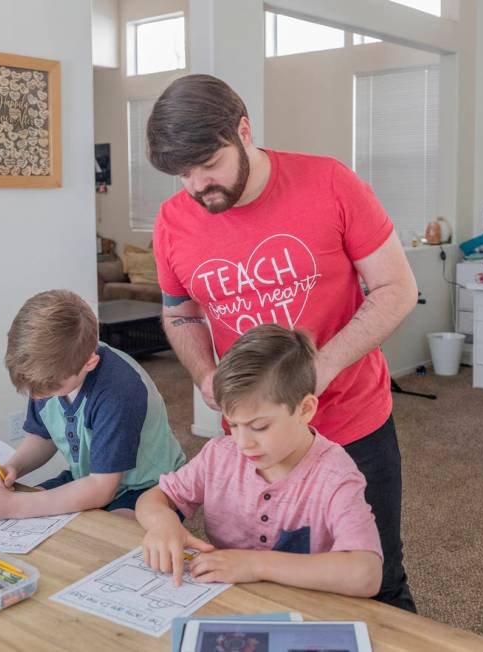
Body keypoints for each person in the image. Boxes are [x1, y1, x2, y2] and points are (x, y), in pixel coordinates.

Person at [147, 74, 417, 611]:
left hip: (351, 422)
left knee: (377, 581)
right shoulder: (173, 220)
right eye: (182, 174)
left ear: (243, 131)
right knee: (257, 582)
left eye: (209, 165)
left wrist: (322, 367)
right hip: (253, 432)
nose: (198, 186)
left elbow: (398, 288)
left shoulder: (330, 183)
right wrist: (205, 375)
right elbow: (179, 311)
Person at [135, 324, 383, 598]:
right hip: (230, 599)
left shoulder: (334, 474)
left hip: (308, 607)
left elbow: (366, 574)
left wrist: (255, 565)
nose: (243, 442)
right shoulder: (220, 455)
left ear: (305, 409)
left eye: (260, 426)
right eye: (233, 425)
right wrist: (163, 523)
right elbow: (153, 499)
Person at [0, 289, 186, 520]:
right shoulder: (47, 376)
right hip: (88, 477)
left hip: (149, 489)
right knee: (36, 511)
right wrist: (15, 466)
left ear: (90, 362)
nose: (38, 397)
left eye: (49, 389)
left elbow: (102, 488)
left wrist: (11, 506)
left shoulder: (120, 390)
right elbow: (43, 437)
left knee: (107, 535)